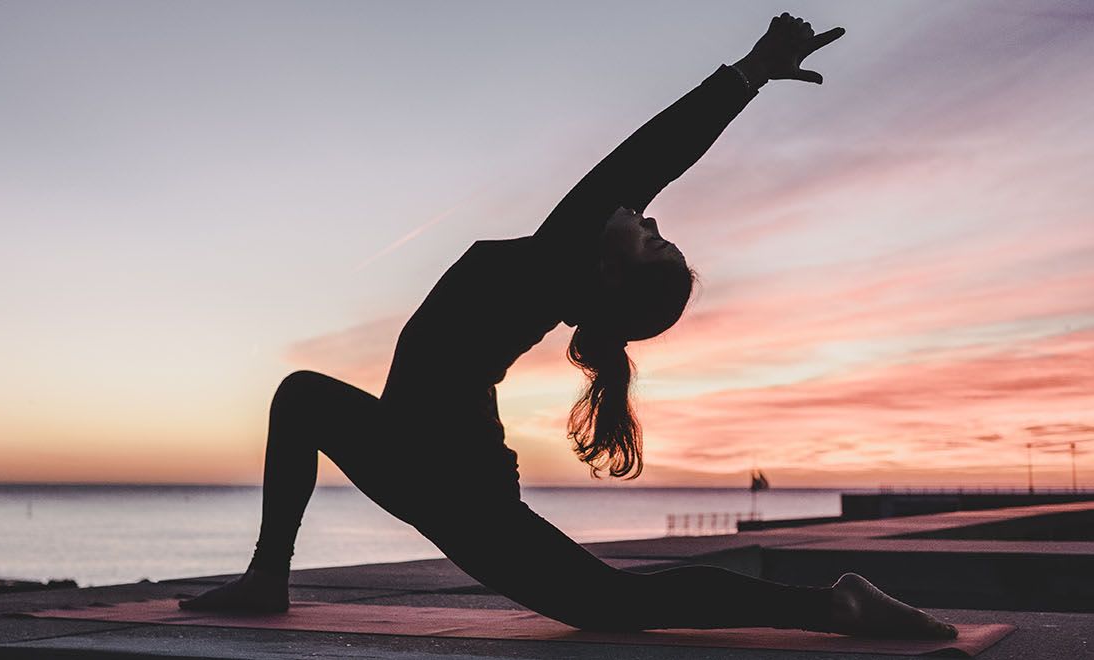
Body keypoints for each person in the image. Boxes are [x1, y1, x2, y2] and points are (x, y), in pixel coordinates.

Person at [182, 12, 957, 639]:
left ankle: (833, 604)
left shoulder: (560, 260)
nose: (645, 215)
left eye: (650, 237)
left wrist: (750, 72)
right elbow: (644, 173)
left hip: (451, 482)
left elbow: (649, 157)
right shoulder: (555, 273)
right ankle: (268, 576)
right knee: (301, 397)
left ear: (611, 274)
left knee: (614, 609)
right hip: (415, 454)